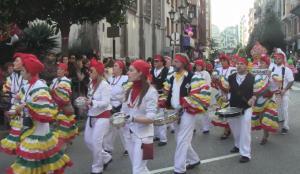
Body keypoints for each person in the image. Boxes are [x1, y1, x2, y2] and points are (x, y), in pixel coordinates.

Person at [6, 54, 72, 173]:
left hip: (39, 131)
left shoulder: (40, 86)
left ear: (30, 72)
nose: (21, 73)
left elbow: (44, 111)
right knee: (38, 163)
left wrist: (25, 106)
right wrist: (13, 110)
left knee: (37, 162)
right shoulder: (26, 86)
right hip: (29, 128)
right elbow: (18, 101)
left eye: (23, 70)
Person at [161, 53, 211, 174]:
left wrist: (187, 102)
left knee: (182, 139)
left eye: (176, 62)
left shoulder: (193, 77)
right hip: (175, 111)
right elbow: (166, 91)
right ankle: (193, 160)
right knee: (180, 139)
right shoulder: (172, 77)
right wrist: (164, 99)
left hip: (188, 112)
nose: (174, 64)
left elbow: (204, 92)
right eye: (174, 62)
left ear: (183, 63)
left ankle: (179, 169)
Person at [121, 60, 158, 174]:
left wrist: (132, 119)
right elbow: (124, 111)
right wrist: (118, 119)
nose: (128, 73)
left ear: (140, 73)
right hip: (130, 134)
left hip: (144, 137)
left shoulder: (151, 92)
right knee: (140, 169)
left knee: (137, 170)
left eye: (131, 70)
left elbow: (151, 118)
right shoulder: (129, 90)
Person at [84, 58, 113, 174]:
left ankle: (97, 168)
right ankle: (106, 157)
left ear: (98, 72)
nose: (89, 73)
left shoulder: (104, 85)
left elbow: (106, 102)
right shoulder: (91, 84)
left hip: (103, 116)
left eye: (91, 71)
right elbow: (91, 98)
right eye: (89, 71)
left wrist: (92, 103)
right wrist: (86, 102)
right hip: (92, 115)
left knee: (96, 142)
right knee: (88, 141)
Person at [227, 57, 255, 163]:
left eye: (242, 64)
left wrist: (254, 98)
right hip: (233, 106)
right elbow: (228, 90)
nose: (239, 65)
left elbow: (256, 91)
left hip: (246, 107)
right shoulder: (231, 77)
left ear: (247, 66)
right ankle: (237, 145)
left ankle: (246, 153)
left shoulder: (252, 78)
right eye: (238, 63)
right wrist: (225, 96)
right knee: (235, 128)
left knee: (245, 129)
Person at [0, 53, 28, 155]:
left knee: (26, 131)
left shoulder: (28, 75)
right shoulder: (12, 76)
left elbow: (29, 90)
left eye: (17, 61)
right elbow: (6, 89)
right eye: (14, 61)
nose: (14, 63)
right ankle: (23, 153)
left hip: (25, 107)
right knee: (17, 130)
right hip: (15, 106)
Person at [251, 54, 279, 145]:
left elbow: (275, 86)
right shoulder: (257, 73)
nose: (260, 64)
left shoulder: (270, 73)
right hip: (258, 100)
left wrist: (272, 78)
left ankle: (265, 136)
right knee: (260, 118)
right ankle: (265, 134)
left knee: (264, 118)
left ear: (267, 64)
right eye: (260, 62)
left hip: (268, 99)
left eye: (262, 62)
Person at [103, 60, 128, 155]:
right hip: (111, 106)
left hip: (120, 106)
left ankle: (128, 147)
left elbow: (126, 92)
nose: (113, 67)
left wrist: (119, 99)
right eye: (113, 66)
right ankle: (108, 148)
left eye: (116, 66)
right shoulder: (110, 79)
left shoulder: (125, 78)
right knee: (110, 128)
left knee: (123, 129)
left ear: (121, 69)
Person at [50, 63, 78, 144]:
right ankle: (61, 141)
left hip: (62, 106)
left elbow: (61, 93)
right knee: (57, 125)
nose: (59, 71)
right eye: (58, 69)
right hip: (55, 106)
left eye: (61, 69)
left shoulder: (66, 81)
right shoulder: (55, 80)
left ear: (65, 71)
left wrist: (50, 91)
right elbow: (52, 90)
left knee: (63, 124)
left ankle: (62, 143)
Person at [211, 54, 236, 139]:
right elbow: (213, 81)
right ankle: (228, 129)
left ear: (228, 61)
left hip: (230, 94)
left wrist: (226, 88)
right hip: (220, 94)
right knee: (223, 113)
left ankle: (227, 130)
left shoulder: (233, 70)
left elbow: (234, 82)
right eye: (221, 61)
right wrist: (214, 80)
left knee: (228, 113)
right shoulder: (217, 70)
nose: (222, 62)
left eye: (224, 61)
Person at [269, 50, 294, 134]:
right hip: (275, 93)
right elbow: (270, 80)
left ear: (282, 60)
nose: (277, 60)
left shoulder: (287, 70)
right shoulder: (272, 68)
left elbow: (291, 81)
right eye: (276, 58)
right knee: (277, 109)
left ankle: (285, 127)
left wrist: (285, 90)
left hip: (284, 93)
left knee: (285, 109)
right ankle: (280, 121)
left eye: (279, 58)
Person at [151, 55, 169, 146]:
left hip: (162, 94)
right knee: (153, 114)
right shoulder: (152, 70)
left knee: (161, 116)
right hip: (153, 94)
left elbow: (168, 84)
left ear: (162, 62)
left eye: (157, 61)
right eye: (154, 61)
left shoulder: (166, 71)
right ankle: (156, 135)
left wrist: (163, 92)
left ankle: (163, 138)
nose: (155, 63)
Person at [193, 59, 211, 134]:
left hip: (204, 95)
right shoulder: (194, 73)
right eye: (197, 65)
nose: (198, 67)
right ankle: (192, 127)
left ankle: (206, 127)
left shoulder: (206, 73)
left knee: (205, 111)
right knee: (193, 111)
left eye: (199, 65)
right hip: (195, 95)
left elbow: (208, 84)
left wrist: (206, 94)